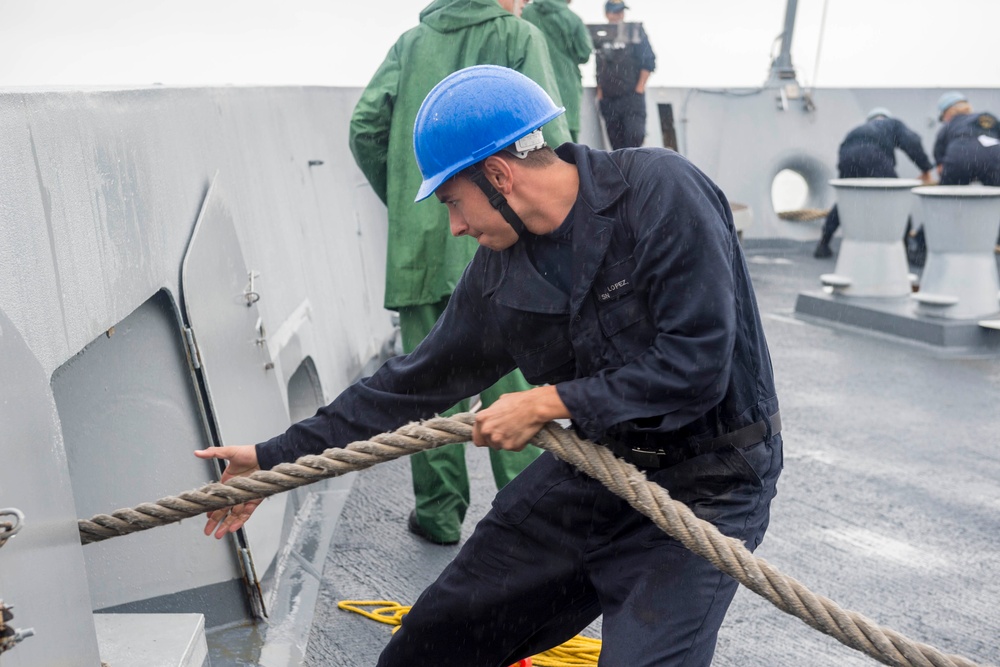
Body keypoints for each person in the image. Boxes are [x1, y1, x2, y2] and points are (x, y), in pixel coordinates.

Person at [197, 65, 783, 667]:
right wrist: (273, 459)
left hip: (710, 484)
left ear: (499, 175)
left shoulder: (662, 192)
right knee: (428, 649)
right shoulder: (498, 276)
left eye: (454, 201)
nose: (455, 226)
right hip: (597, 472)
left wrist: (550, 403)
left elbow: (698, 364)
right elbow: (409, 386)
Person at [347, 0, 573, 546]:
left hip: (421, 249)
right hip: (506, 240)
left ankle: (439, 516)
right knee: (515, 383)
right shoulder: (519, 35)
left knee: (425, 383)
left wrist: (409, 203)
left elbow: (365, 127)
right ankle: (527, 523)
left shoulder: (410, 43)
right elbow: (550, 137)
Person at [814, 107, 934, 259]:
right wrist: (926, 169)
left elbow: (844, 148)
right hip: (874, 157)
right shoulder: (892, 124)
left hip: (847, 158)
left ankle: (824, 243)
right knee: (897, 200)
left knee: (847, 200)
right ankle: (903, 248)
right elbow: (912, 142)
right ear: (886, 117)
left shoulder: (858, 129)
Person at [521, 0, 593, 143]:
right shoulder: (573, 19)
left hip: (533, 85)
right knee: (567, 146)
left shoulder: (525, 12)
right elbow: (584, 53)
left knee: (533, 141)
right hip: (567, 88)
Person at [594, 1, 656, 149]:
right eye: (615, 11)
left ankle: (636, 171)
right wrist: (600, 93)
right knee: (617, 147)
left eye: (621, 11)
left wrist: (639, 89)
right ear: (607, 13)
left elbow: (649, 61)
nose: (619, 15)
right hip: (609, 101)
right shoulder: (600, 36)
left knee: (635, 138)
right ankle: (622, 171)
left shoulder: (635, 31)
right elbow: (598, 68)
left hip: (631, 97)